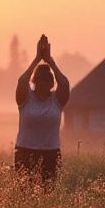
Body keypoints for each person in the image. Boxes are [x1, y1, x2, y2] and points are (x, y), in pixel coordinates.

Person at [14, 34, 70, 188]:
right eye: (39, 81)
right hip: (25, 152)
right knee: (25, 193)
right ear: (34, 82)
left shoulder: (56, 101)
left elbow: (64, 83)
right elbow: (21, 81)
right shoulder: (25, 99)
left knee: (48, 193)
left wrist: (50, 61)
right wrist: (37, 58)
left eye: (47, 82)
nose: (43, 85)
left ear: (52, 84)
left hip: (51, 153)